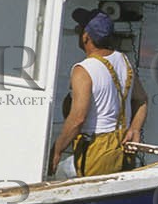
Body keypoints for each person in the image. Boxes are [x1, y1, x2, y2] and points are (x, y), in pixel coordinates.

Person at [48, 10, 147, 180]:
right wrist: (135, 129)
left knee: (60, 173)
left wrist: (57, 150)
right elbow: (142, 99)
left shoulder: (84, 69)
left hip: (96, 151)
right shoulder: (124, 60)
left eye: (80, 28)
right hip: (123, 149)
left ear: (86, 36)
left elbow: (77, 119)